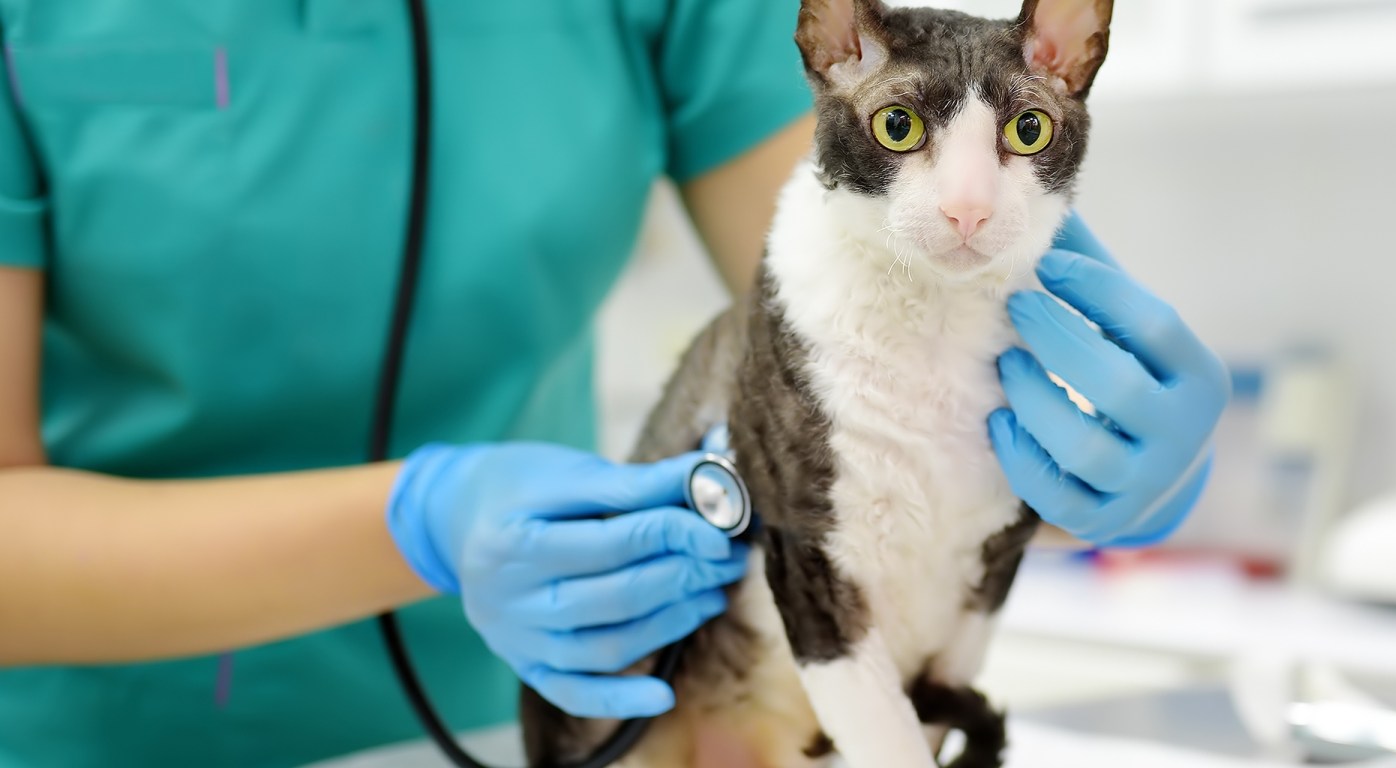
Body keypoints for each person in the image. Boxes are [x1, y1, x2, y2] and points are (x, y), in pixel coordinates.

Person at [0, 2, 1228, 766]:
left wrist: (1087, 448)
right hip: (108, 730)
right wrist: (416, 520)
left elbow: (843, 333)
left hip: (566, 695)